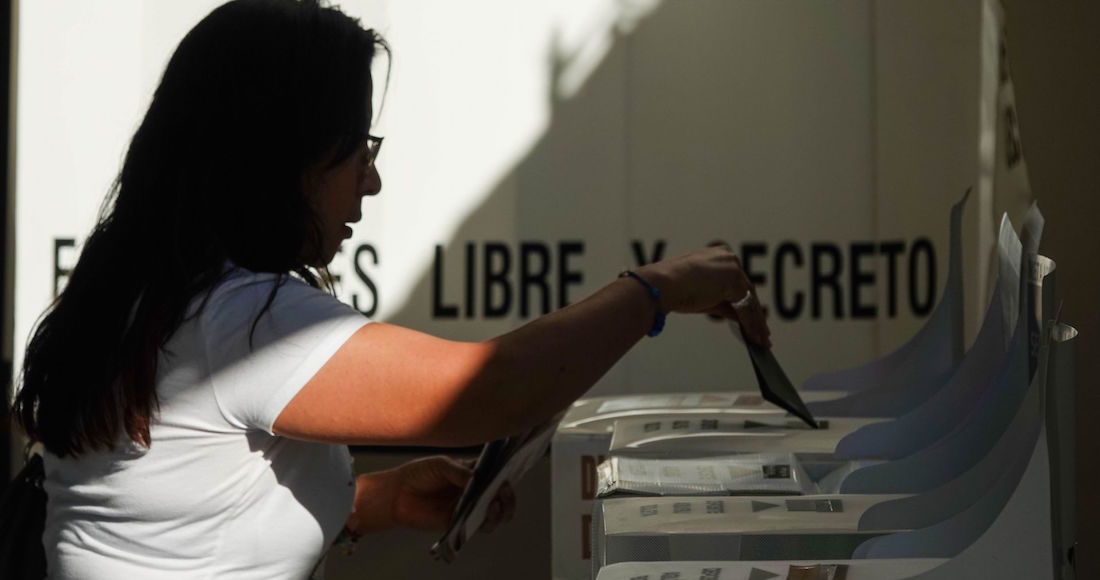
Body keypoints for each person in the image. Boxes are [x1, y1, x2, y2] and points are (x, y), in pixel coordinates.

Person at [11, 1, 771, 578]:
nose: (370, 183)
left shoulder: (158, 295)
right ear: (285, 158)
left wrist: (375, 502)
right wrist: (657, 289)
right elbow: (490, 390)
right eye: (358, 152)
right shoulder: (239, 321)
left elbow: (177, 508)